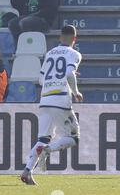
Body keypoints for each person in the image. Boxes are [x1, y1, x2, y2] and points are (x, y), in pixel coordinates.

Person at [20, 25, 83, 186]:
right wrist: (76, 92)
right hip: (60, 99)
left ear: (60, 37)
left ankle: (27, 171)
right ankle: (48, 150)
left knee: (43, 138)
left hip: (45, 99)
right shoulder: (74, 54)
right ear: (74, 39)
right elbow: (69, 74)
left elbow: (40, 79)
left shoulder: (50, 53)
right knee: (73, 138)